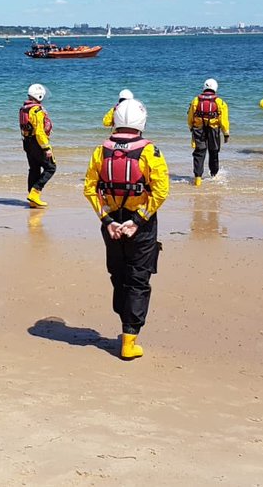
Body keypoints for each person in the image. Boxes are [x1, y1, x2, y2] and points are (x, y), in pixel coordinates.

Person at [83, 99, 169, 360]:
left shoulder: (101, 151)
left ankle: (124, 322)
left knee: (118, 273)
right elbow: (161, 190)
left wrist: (108, 221)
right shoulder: (150, 152)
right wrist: (138, 221)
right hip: (138, 224)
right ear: (141, 123)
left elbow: (89, 188)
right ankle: (129, 340)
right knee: (139, 277)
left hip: (112, 223)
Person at [187, 78, 229, 185]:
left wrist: (191, 127)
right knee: (214, 152)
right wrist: (226, 133)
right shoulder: (220, 102)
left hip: (198, 129)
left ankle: (197, 180)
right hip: (213, 129)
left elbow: (190, 116)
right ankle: (214, 176)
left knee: (199, 153)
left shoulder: (195, 100)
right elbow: (223, 119)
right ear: (215, 88)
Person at [20, 83, 55, 208]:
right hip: (37, 143)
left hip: (27, 143)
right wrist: (46, 147)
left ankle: (32, 198)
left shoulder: (24, 108)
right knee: (51, 167)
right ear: (39, 96)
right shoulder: (37, 110)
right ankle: (35, 192)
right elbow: (40, 132)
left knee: (34, 169)